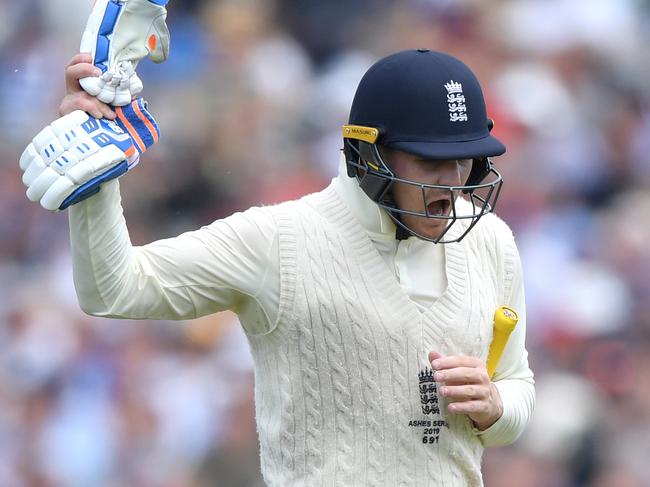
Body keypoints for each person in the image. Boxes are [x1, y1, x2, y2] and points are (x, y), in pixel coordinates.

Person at [26, 48, 535, 486]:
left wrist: (496, 406)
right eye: (430, 162)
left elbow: (517, 387)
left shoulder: (490, 239)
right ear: (369, 155)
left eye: (465, 160)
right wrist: (96, 175)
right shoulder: (279, 239)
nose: (453, 182)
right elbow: (112, 290)